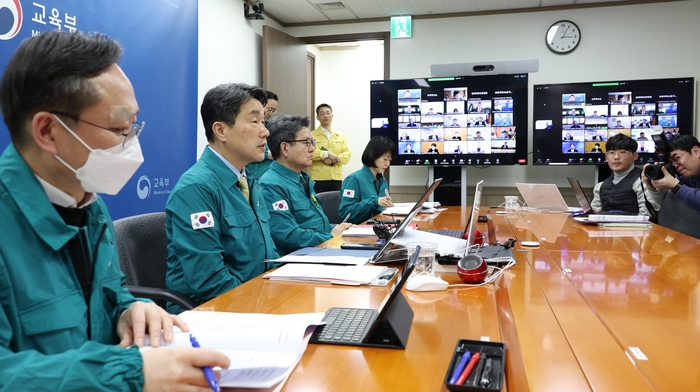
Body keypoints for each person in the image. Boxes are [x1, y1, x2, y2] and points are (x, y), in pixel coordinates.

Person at [0, 30, 229, 390]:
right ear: (47, 131)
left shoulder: (88, 202)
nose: (132, 143)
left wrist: (130, 309)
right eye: (120, 128)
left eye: (134, 126)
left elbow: (109, 292)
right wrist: (130, 373)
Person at [165, 83, 280, 313]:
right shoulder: (197, 188)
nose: (265, 131)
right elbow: (209, 282)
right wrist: (263, 307)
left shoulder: (248, 181)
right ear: (221, 130)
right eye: (254, 121)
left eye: (264, 122)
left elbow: (269, 256)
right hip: (212, 314)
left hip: (255, 303)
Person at [259, 115, 351, 255]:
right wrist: (331, 236)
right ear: (284, 148)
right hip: (298, 261)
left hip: (321, 250)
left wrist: (341, 228)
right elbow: (289, 235)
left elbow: (315, 225)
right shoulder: (271, 185)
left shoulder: (302, 178)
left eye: (312, 142)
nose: (312, 149)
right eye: (307, 143)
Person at [644, 135, 700, 238]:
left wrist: (676, 186)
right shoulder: (683, 177)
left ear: (696, 151)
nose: (675, 165)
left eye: (677, 158)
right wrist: (653, 188)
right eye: (672, 162)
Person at [591, 134, 658, 216]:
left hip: (637, 227)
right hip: (604, 228)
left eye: (622, 152)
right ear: (606, 157)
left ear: (635, 155)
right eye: (611, 153)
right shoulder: (600, 186)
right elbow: (593, 215)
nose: (616, 157)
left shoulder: (643, 181)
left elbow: (647, 216)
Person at [339, 136, 396, 224]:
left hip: (380, 226)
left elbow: (382, 208)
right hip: (359, 230)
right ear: (374, 155)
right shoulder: (353, 179)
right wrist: (374, 202)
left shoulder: (382, 180)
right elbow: (346, 213)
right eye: (385, 159)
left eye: (389, 160)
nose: (387, 164)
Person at [310, 103, 352, 193]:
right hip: (318, 178)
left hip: (336, 178)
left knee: (335, 205)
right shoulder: (311, 135)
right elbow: (309, 153)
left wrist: (334, 159)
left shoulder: (340, 136)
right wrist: (326, 154)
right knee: (319, 205)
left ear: (332, 116)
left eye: (328, 113)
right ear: (317, 117)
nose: (325, 116)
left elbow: (347, 154)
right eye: (322, 113)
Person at [245, 90, 278, 180]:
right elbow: (246, 149)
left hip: (268, 175)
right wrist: (268, 154)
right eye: (269, 109)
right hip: (253, 174)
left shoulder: (270, 127)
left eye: (274, 111)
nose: (270, 113)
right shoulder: (249, 126)